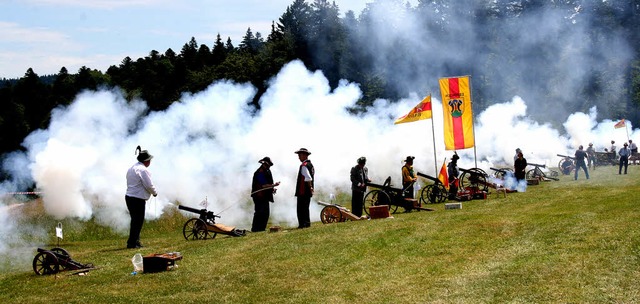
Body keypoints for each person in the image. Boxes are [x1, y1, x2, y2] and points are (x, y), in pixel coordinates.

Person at [125, 146, 158, 249]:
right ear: (146, 161)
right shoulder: (143, 170)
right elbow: (148, 185)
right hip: (137, 199)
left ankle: (135, 241)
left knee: (135, 221)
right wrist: (155, 192)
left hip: (130, 197)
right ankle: (132, 243)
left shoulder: (132, 168)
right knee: (137, 221)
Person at [250, 157, 280, 232]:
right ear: (264, 164)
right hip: (259, 196)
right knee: (259, 212)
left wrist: (272, 189)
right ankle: (256, 229)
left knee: (265, 213)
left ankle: (262, 228)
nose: (268, 166)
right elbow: (263, 185)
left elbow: (268, 183)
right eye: (267, 164)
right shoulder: (259, 172)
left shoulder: (267, 171)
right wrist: (274, 185)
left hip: (264, 196)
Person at [294, 148, 314, 229]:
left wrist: (310, 187)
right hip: (307, 191)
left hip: (303, 191)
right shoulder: (310, 165)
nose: (299, 157)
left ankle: (303, 224)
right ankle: (307, 223)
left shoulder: (304, 165)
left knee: (301, 208)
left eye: (300, 155)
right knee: (305, 208)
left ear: (304, 155)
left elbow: (308, 178)